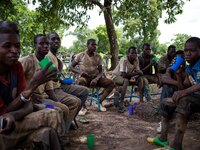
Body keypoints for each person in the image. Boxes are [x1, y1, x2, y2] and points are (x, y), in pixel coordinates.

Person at [0, 26, 66, 149]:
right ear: (35, 45)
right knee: (55, 111)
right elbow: (4, 114)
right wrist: (33, 85)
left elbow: (49, 85)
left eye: (17, 46)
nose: (14, 50)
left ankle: (63, 139)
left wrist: (55, 101)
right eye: (7, 46)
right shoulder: (26, 61)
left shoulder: (44, 61)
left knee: (58, 109)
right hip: (35, 100)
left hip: (38, 101)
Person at [149, 37, 200, 150]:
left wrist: (183, 92)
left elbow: (188, 89)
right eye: (186, 50)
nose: (188, 53)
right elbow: (183, 87)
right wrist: (178, 73)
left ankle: (176, 146)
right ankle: (163, 139)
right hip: (195, 98)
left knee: (184, 101)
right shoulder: (189, 67)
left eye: (192, 50)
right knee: (166, 102)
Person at [20, 34, 71, 131]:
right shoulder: (28, 61)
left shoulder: (47, 63)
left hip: (42, 99)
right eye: (41, 43)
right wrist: (29, 95)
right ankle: (58, 139)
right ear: (35, 45)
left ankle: (59, 133)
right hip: (30, 99)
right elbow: (17, 81)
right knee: (57, 110)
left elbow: (49, 88)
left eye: (47, 43)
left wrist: (57, 101)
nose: (45, 46)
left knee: (63, 108)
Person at [47, 32, 86, 125]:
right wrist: (60, 67)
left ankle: (70, 119)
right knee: (76, 101)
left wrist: (63, 80)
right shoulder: (46, 56)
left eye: (58, 39)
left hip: (60, 85)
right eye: (53, 39)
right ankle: (63, 130)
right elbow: (54, 77)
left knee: (84, 91)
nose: (56, 41)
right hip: (52, 89)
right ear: (48, 41)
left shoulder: (55, 56)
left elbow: (56, 77)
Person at [70, 38, 115, 112]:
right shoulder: (80, 55)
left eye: (95, 45)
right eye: (92, 45)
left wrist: (96, 79)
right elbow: (71, 67)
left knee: (111, 83)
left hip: (95, 78)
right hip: (84, 78)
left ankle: (99, 102)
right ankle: (83, 107)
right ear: (87, 45)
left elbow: (101, 71)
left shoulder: (98, 56)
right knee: (80, 82)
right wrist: (80, 72)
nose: (95, 46)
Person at [112, 46, 143, 112]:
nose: (134, 55)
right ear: (128, 53)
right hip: (117, 76)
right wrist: (136, 73)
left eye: (135, 53)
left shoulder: (136, 59)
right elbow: (124, 75)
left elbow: (138, 71)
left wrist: (136, 76)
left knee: (140, 79)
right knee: (126, 81)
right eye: (132, 53)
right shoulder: (124, 60)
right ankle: (121, 103)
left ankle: (141, 101)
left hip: (128, 77)